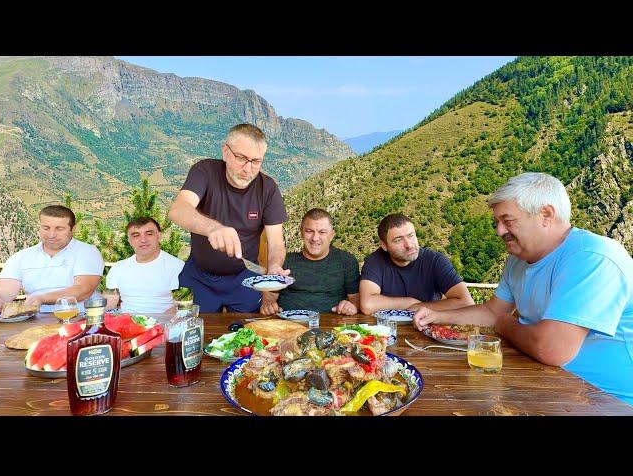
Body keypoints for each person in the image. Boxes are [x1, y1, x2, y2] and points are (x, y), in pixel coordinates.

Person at [414, 172, 633, 405]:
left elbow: (551, 348)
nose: (499, 231)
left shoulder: (592, 258)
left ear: (546, 215)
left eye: (508, 221)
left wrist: (505, 324)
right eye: (497, 222)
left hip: (607, 401)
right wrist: (438, 316)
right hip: (548, 385)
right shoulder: (518, 260)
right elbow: (492, 311)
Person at [168, 123, 289, 313]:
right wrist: (212, 228)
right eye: (241, 158)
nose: (248, 169)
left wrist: (274, 267)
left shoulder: (268, 188)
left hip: (244, 277)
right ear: (226, 152)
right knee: (192, 334)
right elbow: (178, 209)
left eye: (256, 161)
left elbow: (276, 243)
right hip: (199, 277)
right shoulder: (204, 171)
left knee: (247, 335)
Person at [0, 205, 104, 313]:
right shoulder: (21, 257)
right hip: (33, 321)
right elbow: (5, 289)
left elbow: (84, 290)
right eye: (46, 228)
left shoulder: (87, 252)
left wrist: (43, 298)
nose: (51, 235)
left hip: (79, 319)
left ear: (73, 229)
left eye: (59, 229)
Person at [359, 213, 473, 315]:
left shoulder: (435, 260)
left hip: (430, 328)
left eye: (411, 235)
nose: (409, 245)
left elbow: (466, 302)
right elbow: (367, 305)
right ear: (384, 245)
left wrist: (420, 306)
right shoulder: (375, 261)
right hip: (387, 331)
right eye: (398, 240)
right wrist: (409, 302)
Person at [260, 208, 360, 315]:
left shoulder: (347, 261)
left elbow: (355, 298)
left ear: (332, 235)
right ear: (301, 233)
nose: (315, 238)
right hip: (288, 324)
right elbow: (270, 295)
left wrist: (352, 306)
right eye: (309, 231)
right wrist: (268, 304)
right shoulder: (284, 261)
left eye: (322, 232)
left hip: (331, 325)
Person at [104, 217, 185, 314]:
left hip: (164, 324)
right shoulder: (118, 267)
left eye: (149, 234)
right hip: (125, 324)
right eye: (136, 235)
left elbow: (181, 305)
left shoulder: (177, 267)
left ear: (159, 236)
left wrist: (155, 325)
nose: (143, 240)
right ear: (129, 240)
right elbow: (110, 300)